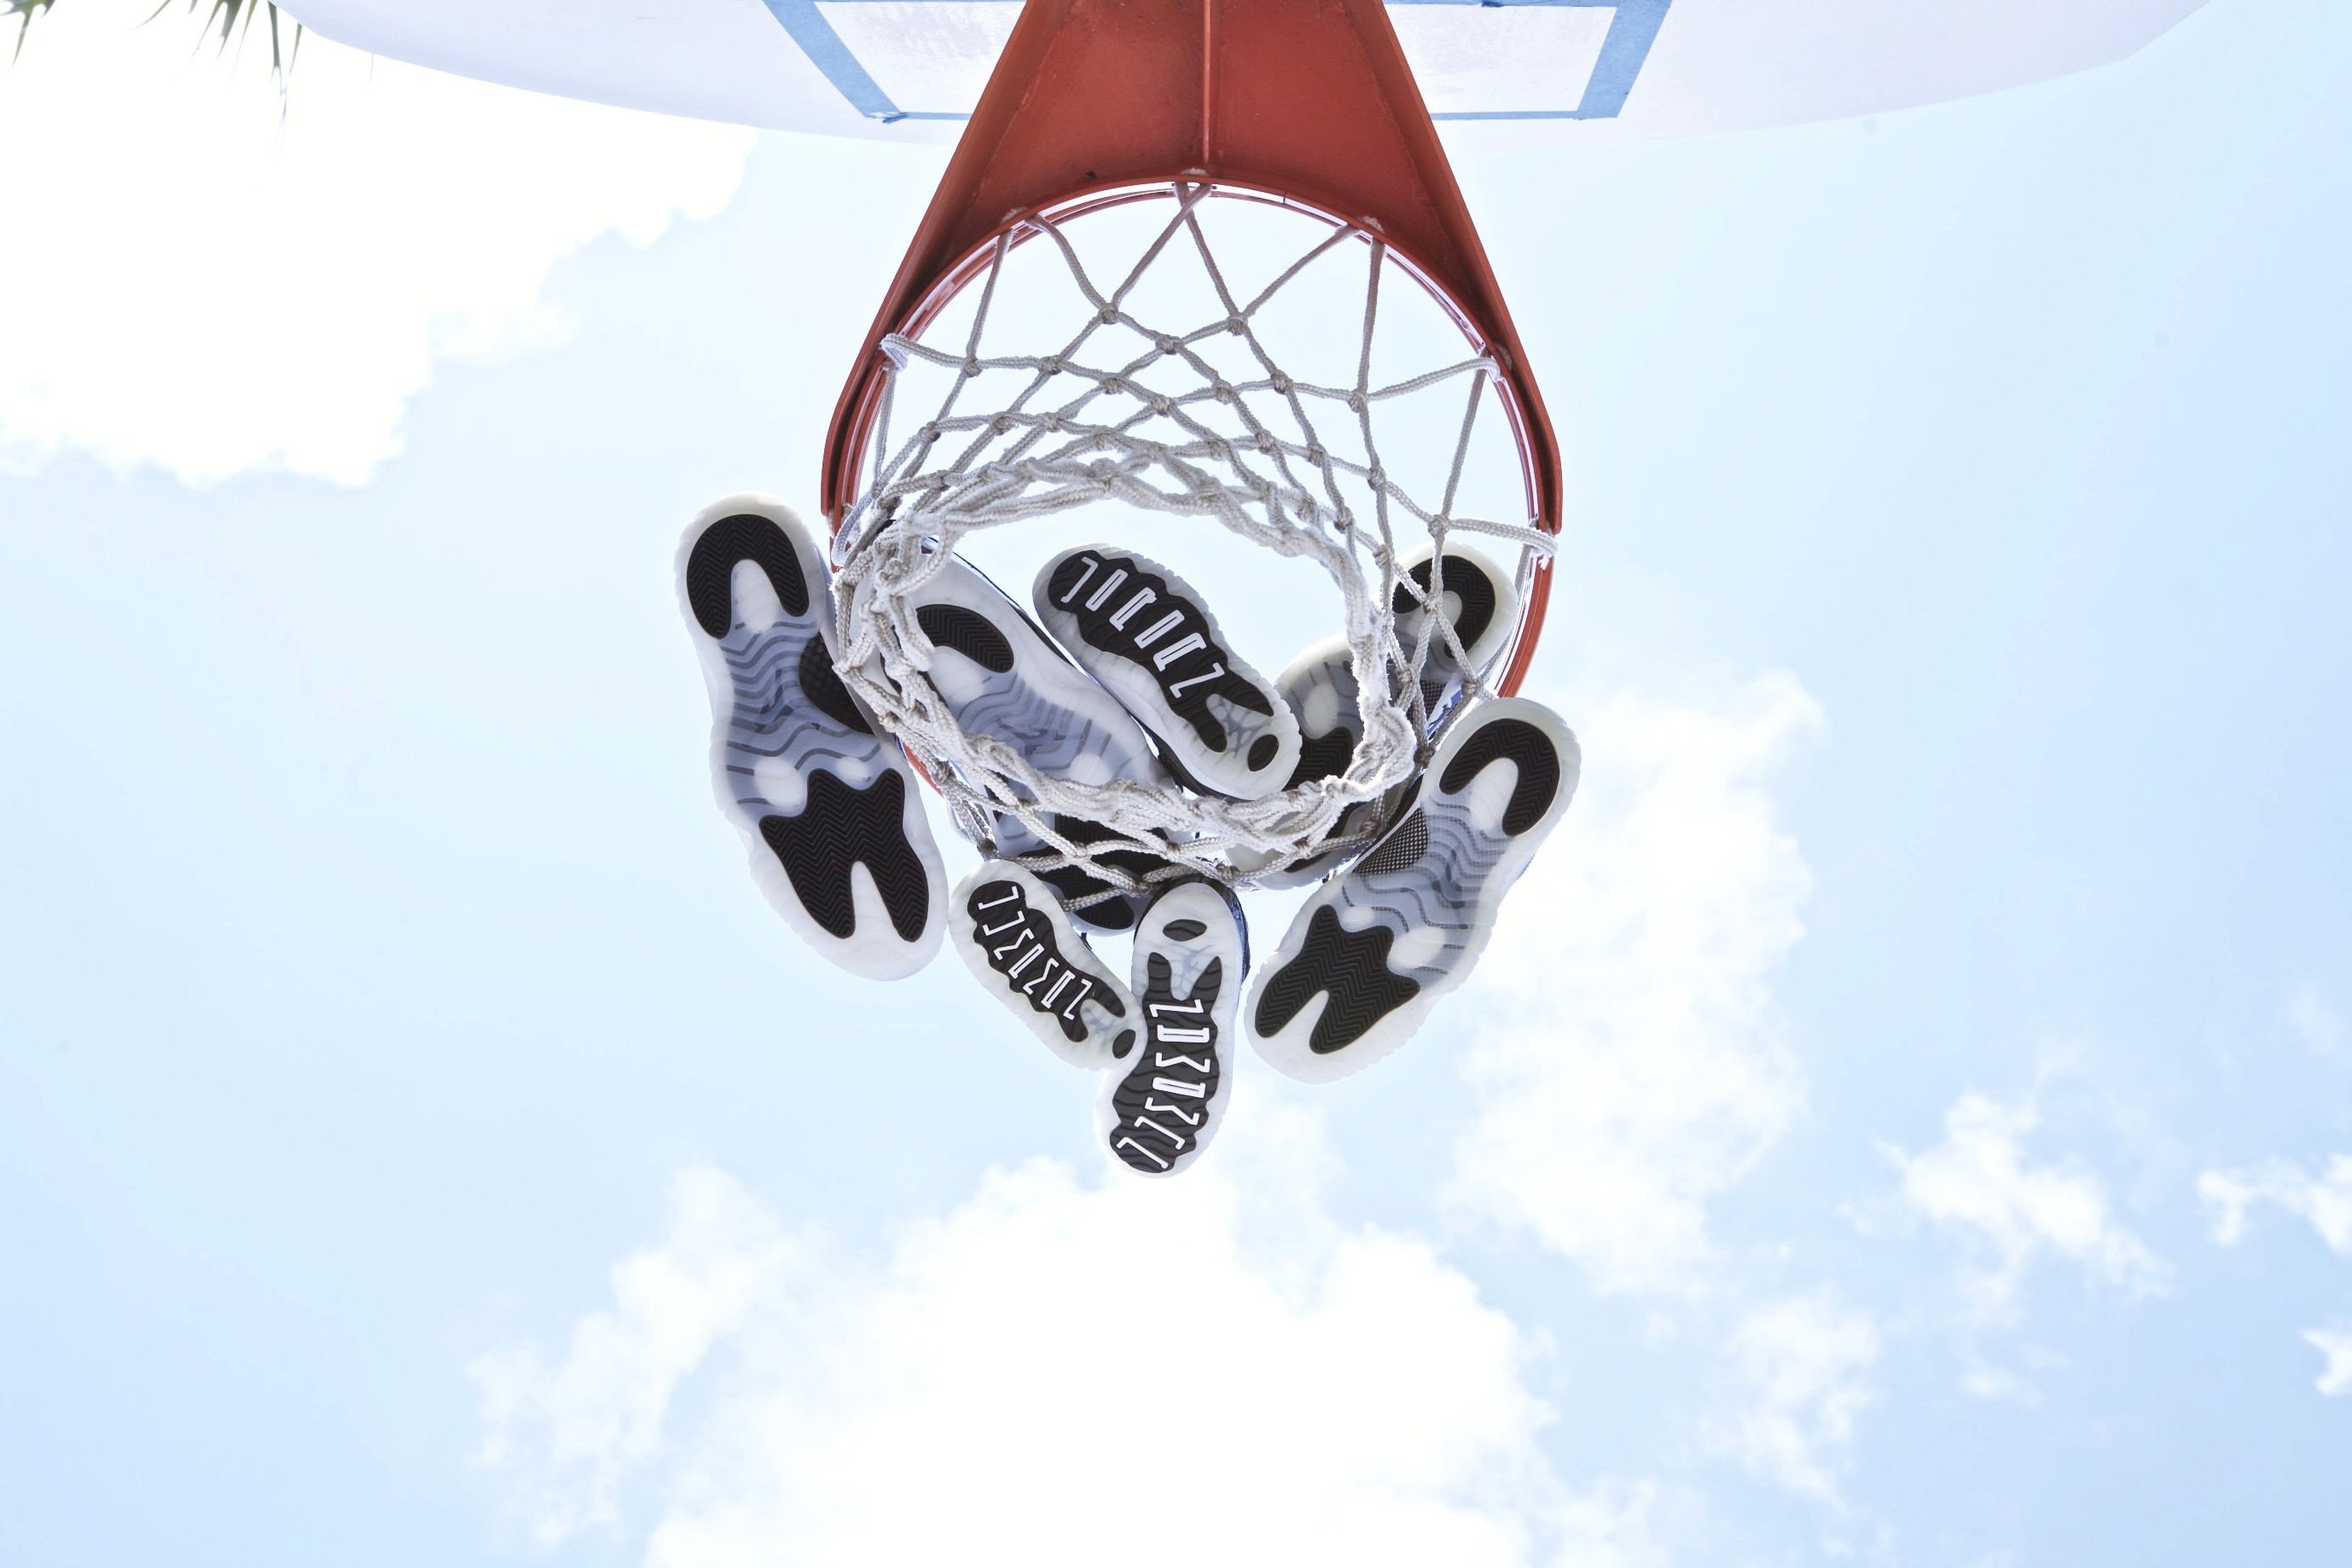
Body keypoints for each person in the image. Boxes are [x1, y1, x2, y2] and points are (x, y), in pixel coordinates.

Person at [678, 495, 1579, 1174]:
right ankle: (1275, 782)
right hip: (1109, 842)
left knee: (1258, 836)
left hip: (1068, 846)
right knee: (1284, 834)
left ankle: (1152, 909)